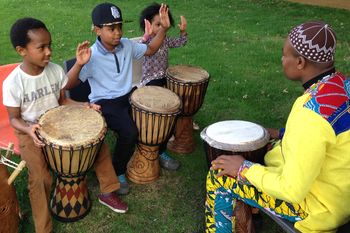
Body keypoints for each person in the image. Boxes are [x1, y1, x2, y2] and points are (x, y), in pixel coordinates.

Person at [205, 21, 350, 232]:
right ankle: (249, 216)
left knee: (218, 177)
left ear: (300, 62)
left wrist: (243, 168)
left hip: (319, 208)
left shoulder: (310, 114)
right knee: (267, 145)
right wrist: (282, 134)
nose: (282, 60)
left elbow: (292, 190)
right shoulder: (342, 85)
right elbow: (326, 139)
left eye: (284, 55)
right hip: (339, 191)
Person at [3, 17, 128, 233]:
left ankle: (108, 191)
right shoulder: (13, 82)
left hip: (59, 119)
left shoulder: (54, 71)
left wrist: (84, 106)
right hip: (30, 130)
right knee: (40, 178)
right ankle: (44, 228)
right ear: (22, 50)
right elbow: (14, 119)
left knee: (99, 145)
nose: (49, 52)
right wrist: (28, 129)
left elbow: (63, 101)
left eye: (49, 45)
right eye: (41, 47)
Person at [64, 2, 171, 195]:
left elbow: (152, 49)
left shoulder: (128, 46)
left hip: (127, 96)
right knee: (130, 132)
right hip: (104, 103)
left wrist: (163, 28)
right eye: (111, 28)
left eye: (119, 27)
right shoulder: (92, 55)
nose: (118, 33)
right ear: (97, 30)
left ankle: (158, 151)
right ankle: (118, 171)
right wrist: (79, 64)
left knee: (154, 116)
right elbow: (68, 85)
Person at [138, 2, 188, 170]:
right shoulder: (145, 43)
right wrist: (146, 36)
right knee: (160, 116)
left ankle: (162, 149)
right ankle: (154, 147)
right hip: (150, 83)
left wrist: (182, 31)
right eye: (157, 24)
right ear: (148, 25)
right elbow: (139, 48)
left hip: (163, 79)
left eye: (163, 24)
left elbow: (181, 42)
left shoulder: (165, 40)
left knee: (171, 112)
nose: (160, 28)